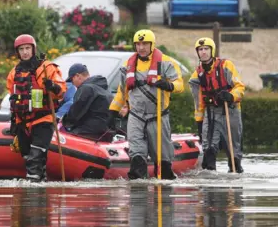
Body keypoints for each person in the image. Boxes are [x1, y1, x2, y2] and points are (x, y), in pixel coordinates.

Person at [109, 29, 184, 180]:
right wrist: (113, 111)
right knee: (136, 153)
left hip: (158, 116)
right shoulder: (127, 66)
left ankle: (164, 188)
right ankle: (138, 191)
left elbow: (180, 85)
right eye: (138, 44)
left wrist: (168, 85)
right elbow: (122, 92)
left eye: (145, 44)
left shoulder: (166, 63)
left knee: (163, 158)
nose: (141, 47)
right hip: (136, 116)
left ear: (152, 44)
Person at [7, 34, 66, 182]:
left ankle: (31, 191)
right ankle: (40, 190)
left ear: (33, 49)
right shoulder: (14, 73)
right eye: (21, 49)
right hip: (23, 121)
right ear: (17, 52)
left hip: (43, 119)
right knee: (29, 157)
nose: (25, 52)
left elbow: (61, 91)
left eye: (28, 48)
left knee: (35, 156)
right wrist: (14, 122)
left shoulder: (46, 68)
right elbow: (13, 97)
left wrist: (52, 86)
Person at [189, 37, 245, 173]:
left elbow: (240, 87)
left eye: (206, 49)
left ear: (212, 50)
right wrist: (199, 122)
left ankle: (235, 169)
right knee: (208, 147)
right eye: (200, 50)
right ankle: (210, 182)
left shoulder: (226, 65)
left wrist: (231, 95)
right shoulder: (196, 76)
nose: (203, 52)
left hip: (230, 110)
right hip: (210, 112)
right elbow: (199, 102)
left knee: (233, 149)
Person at [61, 63, 113, 139]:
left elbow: (75, 112)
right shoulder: (104, 88)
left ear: (77, 76)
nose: (73, 84)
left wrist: (63, 119)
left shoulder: (86, 88)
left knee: (65, 136)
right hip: (106, 132)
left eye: (72, 80)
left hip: (89, 131)